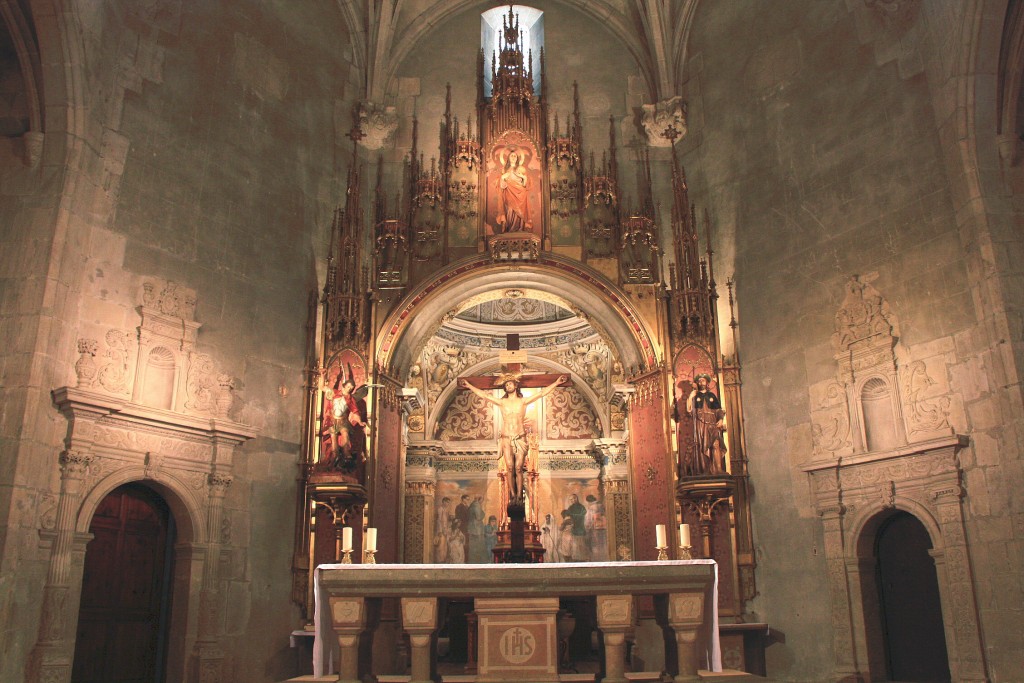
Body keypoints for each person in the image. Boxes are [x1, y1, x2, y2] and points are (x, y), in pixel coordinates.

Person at [459, 373, 568, 506]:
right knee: (510, 467)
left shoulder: (522, 401)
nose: (508, 386)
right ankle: (512, 495)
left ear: (515, 385)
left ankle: (519, 496)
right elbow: (485, 396)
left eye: (510, 383)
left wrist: (556, 383)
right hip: (506, 438)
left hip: (520, 437)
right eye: (506, 384)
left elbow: (541, 393)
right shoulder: (502, 402)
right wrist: (469, 385)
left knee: (518, 467)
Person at [319, 374, 368, 473]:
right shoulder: (334, 393)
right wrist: (322, 376)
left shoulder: (350, 399)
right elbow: (322, 387)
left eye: (351, 388)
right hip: (333, 421)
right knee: (334, 440)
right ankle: (335, 457)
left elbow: (355, 411)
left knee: (345, 434)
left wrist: (359, 421)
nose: (349, 389)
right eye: (348, 387)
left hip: (343, 421)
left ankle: (346, 454)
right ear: (344, 386)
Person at [680, 373, 727, 475]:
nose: (701, 382)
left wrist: (721, 419)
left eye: (703, 380)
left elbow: (718, 410)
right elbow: (689, 411)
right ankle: (704, 470)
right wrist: (690, 397)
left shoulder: (712, 396)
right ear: (697, 383)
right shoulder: (695, 396)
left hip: (712, 423)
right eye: (700, 381)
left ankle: (718, 469)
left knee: (716, 444)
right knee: (702, 446)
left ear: (707, 382)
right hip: (700, 425)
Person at [496, 148, 530, 233]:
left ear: (517, 158)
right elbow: (501, 186)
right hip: (509, 193)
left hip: (521, 194)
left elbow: (525, 184)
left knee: (520, 212)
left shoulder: (522, 169)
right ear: (508, 158)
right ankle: (510, 230)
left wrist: (523, 177)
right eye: (512, 156)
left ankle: (520, 229)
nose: (513, 157)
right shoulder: (504, 169)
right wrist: (502, 178)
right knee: (510, 210)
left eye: (515, 156)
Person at [434, 497, 452, 563]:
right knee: (440, 545)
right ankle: (439, 560)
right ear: (443, 502)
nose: (448, 504)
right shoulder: (440, 509)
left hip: (445, 530)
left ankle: (443, 559)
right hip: (441, 530)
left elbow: (446, 520)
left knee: (445, 545)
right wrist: (440, 531)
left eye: (449, 503)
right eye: (447, 502)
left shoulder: (446, 509)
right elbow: (439, 520)